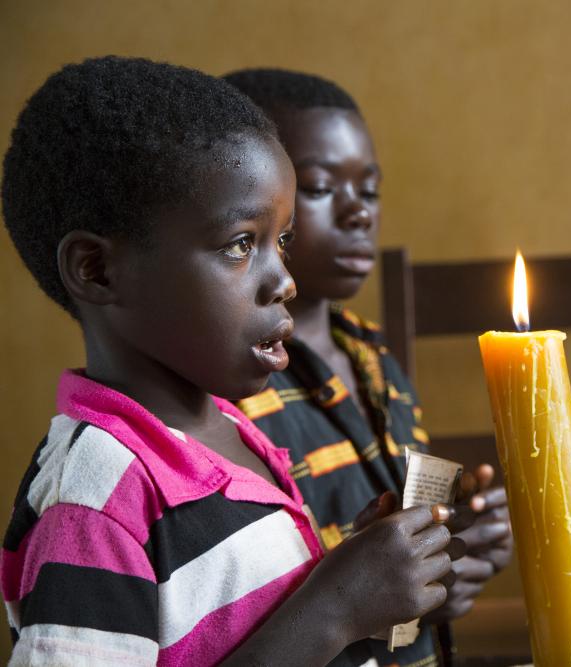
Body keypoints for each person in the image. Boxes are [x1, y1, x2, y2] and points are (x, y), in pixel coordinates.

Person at [0, 56, 459, 666]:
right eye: (243, 243)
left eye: (283, 241)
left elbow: (244, 626)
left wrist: (358, 573)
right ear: (97, 269)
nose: (285, 280)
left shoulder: (231, 433)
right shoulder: (96, 497)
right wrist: (331, 608)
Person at [224, 68, 513, 665]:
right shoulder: (232, 389)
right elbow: (272, 607)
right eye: (324, 187)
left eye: (371, 191)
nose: (360, 214)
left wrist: (455, 548)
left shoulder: (373, 358)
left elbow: (407, 558)